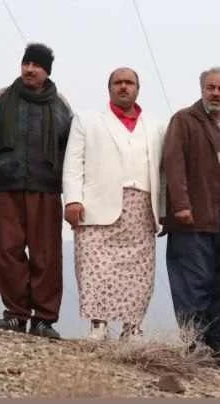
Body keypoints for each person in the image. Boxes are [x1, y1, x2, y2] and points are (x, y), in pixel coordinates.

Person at [63, 67, 165, 341]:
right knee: (94, 266)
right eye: (117, 82)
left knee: (138, 270)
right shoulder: (87, 121)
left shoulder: (156, 125)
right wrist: (72, 199)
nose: (123, 87)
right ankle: (99, 324)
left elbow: (164, 170)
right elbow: (73, 163)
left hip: (141, 206)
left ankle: (133, 327)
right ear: (109, 88)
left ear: (137, 89)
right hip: (96, 205)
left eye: (129, 82)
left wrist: (165, 209)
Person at [0, 43, 73, 339]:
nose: (30, 69)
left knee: (46, 255)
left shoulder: (61, 105)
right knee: (6, 252)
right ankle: (16, 315)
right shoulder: (1, 98)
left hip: (46, 190)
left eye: (37, 65)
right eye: (26, 63)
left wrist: (59, 177)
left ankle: (44, 320)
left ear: (47, 71)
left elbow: (70, 148)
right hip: (6, 186)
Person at [162, 67, 220, 370]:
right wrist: (181, 205)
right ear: (202, 88)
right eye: (211, 87)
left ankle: (215, 342)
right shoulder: (184, 120)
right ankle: (192, 343)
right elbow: (173, 164)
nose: (216, 93)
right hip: (192, 218)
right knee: (192, 283)